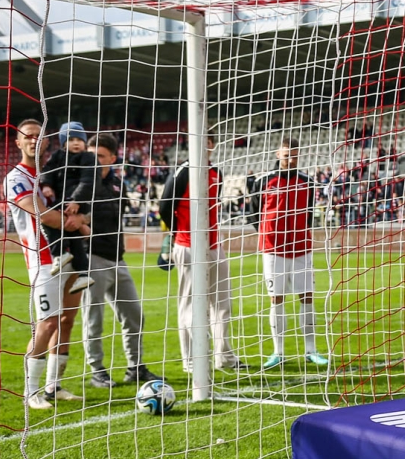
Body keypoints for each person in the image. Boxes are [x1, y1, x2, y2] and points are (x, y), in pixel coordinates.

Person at [4, 118, 87, 410]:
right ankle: (31, 392)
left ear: (47, 142)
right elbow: (44, 215)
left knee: (66, 321)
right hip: (42, 260)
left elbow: (83, 201)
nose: (34, 140)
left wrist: (81, 217)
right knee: (47, 324)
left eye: (39, 136)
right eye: (28, 136)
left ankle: (54, 387)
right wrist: (78, 223)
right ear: (18, 142)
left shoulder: (55, 172)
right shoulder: (16, 177)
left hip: (69, 256)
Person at [81, 133, 162, 388]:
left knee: (134, 314)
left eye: (100, 157)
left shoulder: (118, 184)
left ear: (113, 158)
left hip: (118, 258)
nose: (95, 161)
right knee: (93, 318)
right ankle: (97, 371)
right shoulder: (82, 184)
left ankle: (135, 367)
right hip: (91, 257)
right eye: (91, 156)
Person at [158, 138, 245, 374]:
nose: (205, 144)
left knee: (222, 304)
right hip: (188, 246)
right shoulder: (184, 171)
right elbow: (165, 205)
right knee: (190, 305)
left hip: (215, 246)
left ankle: (224, 357)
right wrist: (178, 232)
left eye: (208, 140)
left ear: (212, 144)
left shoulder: (217, 172)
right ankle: (192, 360)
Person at [251, 137, 329, 370]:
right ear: (278, 155)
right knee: (276, 299)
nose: (291, 159)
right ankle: (279, 352)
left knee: (306, 297)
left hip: (301, 248)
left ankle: (311, 350)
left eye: (294, 155)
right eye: (287, 155)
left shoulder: (307, 181)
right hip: (273, 249)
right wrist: (268, 233)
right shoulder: (264, 181)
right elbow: (254, 213)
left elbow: (308, 214)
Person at [39, 122, 97, 291]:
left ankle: (59, 253)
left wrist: (77, 201)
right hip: (64, 200)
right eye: (71, 139)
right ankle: (84, 274)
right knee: (73, 236)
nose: (76, 143)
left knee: (47, 219)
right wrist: (46, 185)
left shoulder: (88, 158)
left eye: (80, 139)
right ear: (64, 142)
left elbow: (88, 181)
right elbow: (47, 171)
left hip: (78, 202)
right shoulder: (57, 156)